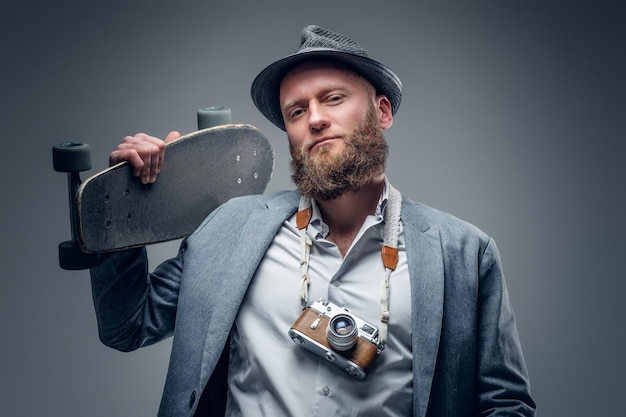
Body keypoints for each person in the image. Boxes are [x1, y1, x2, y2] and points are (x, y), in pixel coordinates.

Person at [91, 25, 536, 417]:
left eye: (333, 99)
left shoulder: (463, 252)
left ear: (381, 112)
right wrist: (126, 208)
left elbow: (505, 403)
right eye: (296, 112)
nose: (315, 120)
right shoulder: (229, 228)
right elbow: (126, 327)